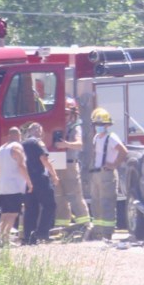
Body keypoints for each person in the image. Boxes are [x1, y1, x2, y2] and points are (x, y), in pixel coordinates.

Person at [87, 108, 128, 241]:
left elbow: (123, 151)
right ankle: (98, 232)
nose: (98, 127)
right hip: (97, 174)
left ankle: (107, 233)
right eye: (96, 125)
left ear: (107, 125)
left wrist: (114, 165)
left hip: (107, 175)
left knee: (107, 204)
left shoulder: (112, 138)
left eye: (100, 125)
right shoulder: (96, 138)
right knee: (96, 203)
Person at [53, 98, 92, 234]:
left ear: (73, 114)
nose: (64, 117)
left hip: (69, 166)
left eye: (66, 114)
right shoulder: (59, 127)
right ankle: (62, 227)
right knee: (60, 198)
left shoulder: (76, 127)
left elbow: (79, 144)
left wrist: (66, 145)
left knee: (75, 196)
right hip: (57, 166)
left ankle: (85, 226)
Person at [22, 122, 61, 245]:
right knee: (50, 205)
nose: (41, 133)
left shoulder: (23, 144)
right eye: (41, 130)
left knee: (31, 208)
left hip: (28, 180)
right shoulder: (37, 142)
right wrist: (54, 175)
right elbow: (44, 159)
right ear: (37, 130)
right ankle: (42, 232)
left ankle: (28, 237)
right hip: (40, 178)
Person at [0, 127, 32, 247]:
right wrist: (29, 182)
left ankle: (1, 237)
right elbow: (21, 165)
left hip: (3, 185)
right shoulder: (16, 147)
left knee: (5, 213)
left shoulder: (1, 149)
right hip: (14, 186)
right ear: (18, 135)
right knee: (13, 213)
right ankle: (5, 239)